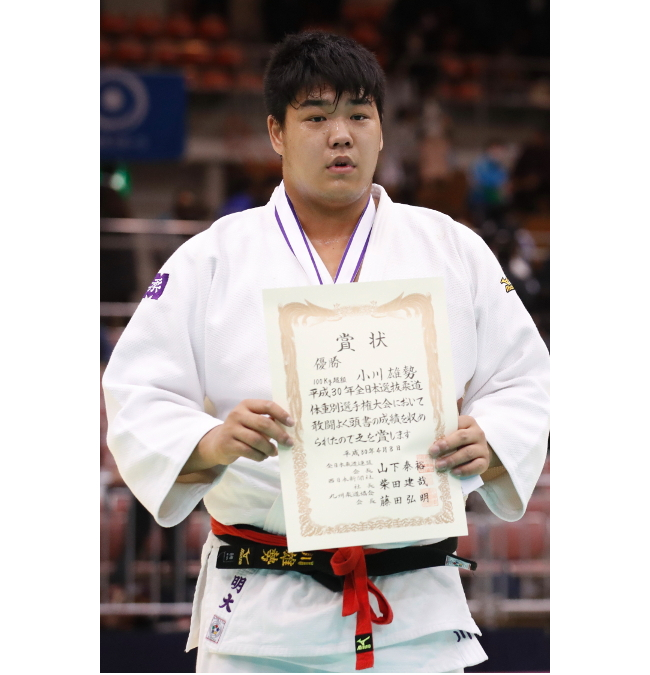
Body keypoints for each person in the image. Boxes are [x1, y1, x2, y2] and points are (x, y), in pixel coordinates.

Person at [103, 32, 549, 673]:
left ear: (382, 131)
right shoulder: (213, 256)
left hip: (416, 614)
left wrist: (495, 437)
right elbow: (138, 391)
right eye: (316, 117)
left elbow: (524, 379)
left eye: (359, 116)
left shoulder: (452, 248)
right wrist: (211, 442)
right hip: (261, 613)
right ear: (276, 133)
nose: (341, 135)